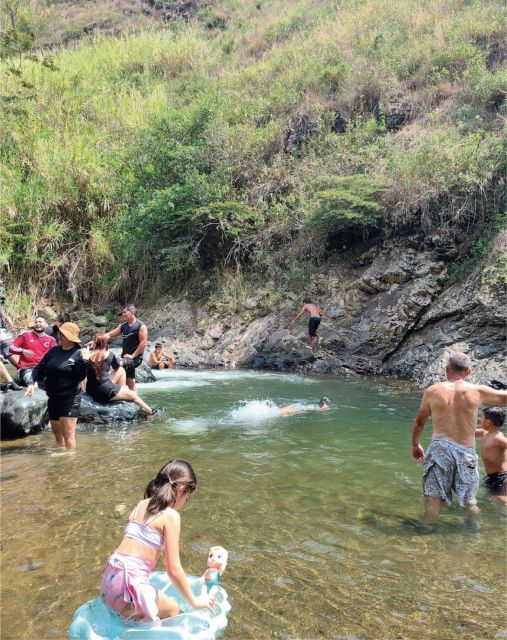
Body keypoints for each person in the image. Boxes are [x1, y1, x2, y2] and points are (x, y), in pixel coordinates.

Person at [100, 459, 215, 622]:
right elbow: (173, 570)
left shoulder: (141, 504)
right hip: (127, 583)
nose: (184, 503)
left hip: (110, 576)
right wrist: (195, 602)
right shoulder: (171, 516)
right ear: (181, 490)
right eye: (187, 498)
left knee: (142, 615)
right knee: (173, 609)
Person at [411, 352, 507, 523]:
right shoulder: (478, 391)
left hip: (440, 449)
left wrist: (416, 445)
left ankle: (424, 531)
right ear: (468, 372)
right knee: (469, 502)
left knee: (434, 500)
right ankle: (474, 534)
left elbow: (419, 422)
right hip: (466, 452)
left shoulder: (433, 390)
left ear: (446, 369)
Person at [25, 322, 88, 451]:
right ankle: (60, 454)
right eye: (60, 333)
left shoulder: (78, 354)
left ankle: (70, 460)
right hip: (53, 397)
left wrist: (85, 362)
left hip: (70, 398)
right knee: (57, 433)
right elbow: (39, 368)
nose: (59, 336)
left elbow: (80, 377)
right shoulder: (53, 351)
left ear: (70, 338)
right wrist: (32, 383)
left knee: (68, 434)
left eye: (63, 334)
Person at [84, 333, 162, 415]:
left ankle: (122, 393)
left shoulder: (86, 355)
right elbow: (116, 367)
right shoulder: (109, 354)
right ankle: (151, 412)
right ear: (105, 343)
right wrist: (122, 361)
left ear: (94, 343)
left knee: (120, 371)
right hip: (104, 392)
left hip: (91, 390)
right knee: (133, 395)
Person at [103, 305, 147, 392]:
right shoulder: (123, 326)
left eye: (125, 312)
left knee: (117, 364)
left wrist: (133, 355)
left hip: (135, 358)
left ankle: (108, 387)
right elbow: (108, 335)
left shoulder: (141, 326)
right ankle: (135, 402)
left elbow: (143, 343)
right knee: (130, 380)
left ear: (132, 312)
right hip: (125, 357)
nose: (123, 314)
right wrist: (95, 340)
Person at [9, 316, 57, 385]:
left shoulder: (51, 339)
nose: (37, 323)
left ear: (46, 325)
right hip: (27, 368)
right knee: (32, 382)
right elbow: (11, 348)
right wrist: (22, 351)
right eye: (36, 322)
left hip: (44, 369)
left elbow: (57, 354)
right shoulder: (25, 335)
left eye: (40, 322)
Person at [475, 407, 507, 505]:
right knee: (490, 500)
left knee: (502, 500)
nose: (480, 420)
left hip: (502, 478)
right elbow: (469, 431)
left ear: (488, 422)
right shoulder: (485, 433)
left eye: (481, 418)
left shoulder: (498, 438)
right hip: (492, 477)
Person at [0, 279, 18, 366]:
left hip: (3, 330)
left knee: (8, 346)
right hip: (3, 333)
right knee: (8, 346)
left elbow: (3, 311)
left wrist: (8, 320)